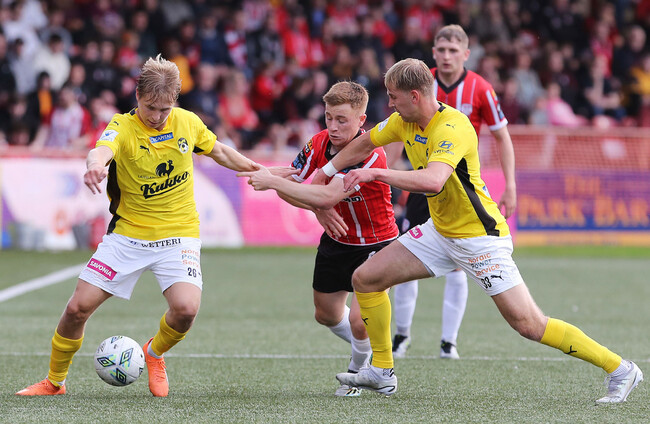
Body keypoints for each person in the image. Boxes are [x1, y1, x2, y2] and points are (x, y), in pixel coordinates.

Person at [318, 58, 642, 403]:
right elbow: (365, 143)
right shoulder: (402, 120)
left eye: (393, 96)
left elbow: (433, 180)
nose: (389, 103)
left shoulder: (452, 127)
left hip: (479, 239)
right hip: (440, 233)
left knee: (529, 324)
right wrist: (326, 171)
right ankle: (382, 371)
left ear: (414, 96)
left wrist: (375, 173)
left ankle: (621, 369)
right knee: (366, 278)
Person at [15, 55, 271, 397]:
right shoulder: (122, 126)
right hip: (128, 235)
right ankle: (54, 382)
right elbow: (100, 150)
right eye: (150, 107)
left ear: (174, 102)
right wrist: (95, 166)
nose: (157, 116)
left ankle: (154, 352)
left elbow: (221, 152)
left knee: (186, 310)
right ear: (138, 96)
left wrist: (260, 171)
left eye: (165, 109)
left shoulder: (187, 122)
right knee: (77, 308)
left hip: (178, 233)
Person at [238, 81, 399, 397]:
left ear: (361, 121)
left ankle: (357, 373)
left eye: (342, 120)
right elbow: (294, 182)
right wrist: (271, 178)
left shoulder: (370, 154)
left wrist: (281, 186)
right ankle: (372, 347)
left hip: (377, 243)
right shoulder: (317, 143)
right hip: (338, 240)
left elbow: (324, 195)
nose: (333, 126)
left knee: (360, 321)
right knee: (325, 314)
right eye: (328, 117)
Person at [390, 24, 517, 359]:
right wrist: (387, 177)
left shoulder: (481, 89)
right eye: (441, 50)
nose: (446, 56)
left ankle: (449, 342)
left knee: (459, 264)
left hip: (459, 190)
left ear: (466, 54)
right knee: (404, 257)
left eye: (453, 51)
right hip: (423, 183)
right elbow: (396, 131)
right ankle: (401, 336)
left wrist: (510, 185)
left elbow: (502, 137)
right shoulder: (419, 83)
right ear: (433, 52)